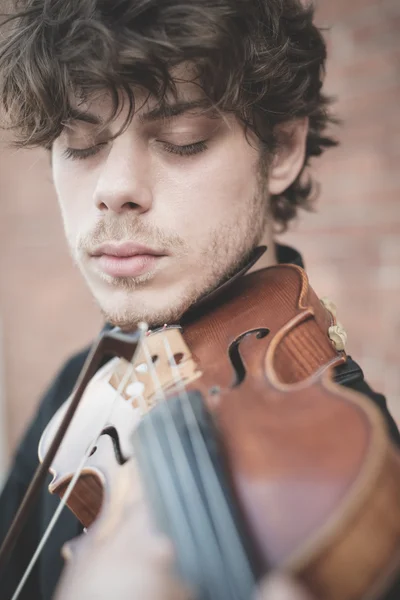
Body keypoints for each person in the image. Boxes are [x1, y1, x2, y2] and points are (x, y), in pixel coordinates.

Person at [0, 0, 399, 599]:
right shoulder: (78, 392)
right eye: (79, 144)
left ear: (283, 149)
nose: (114, 189)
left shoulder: (358, 482)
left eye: (182, 141)